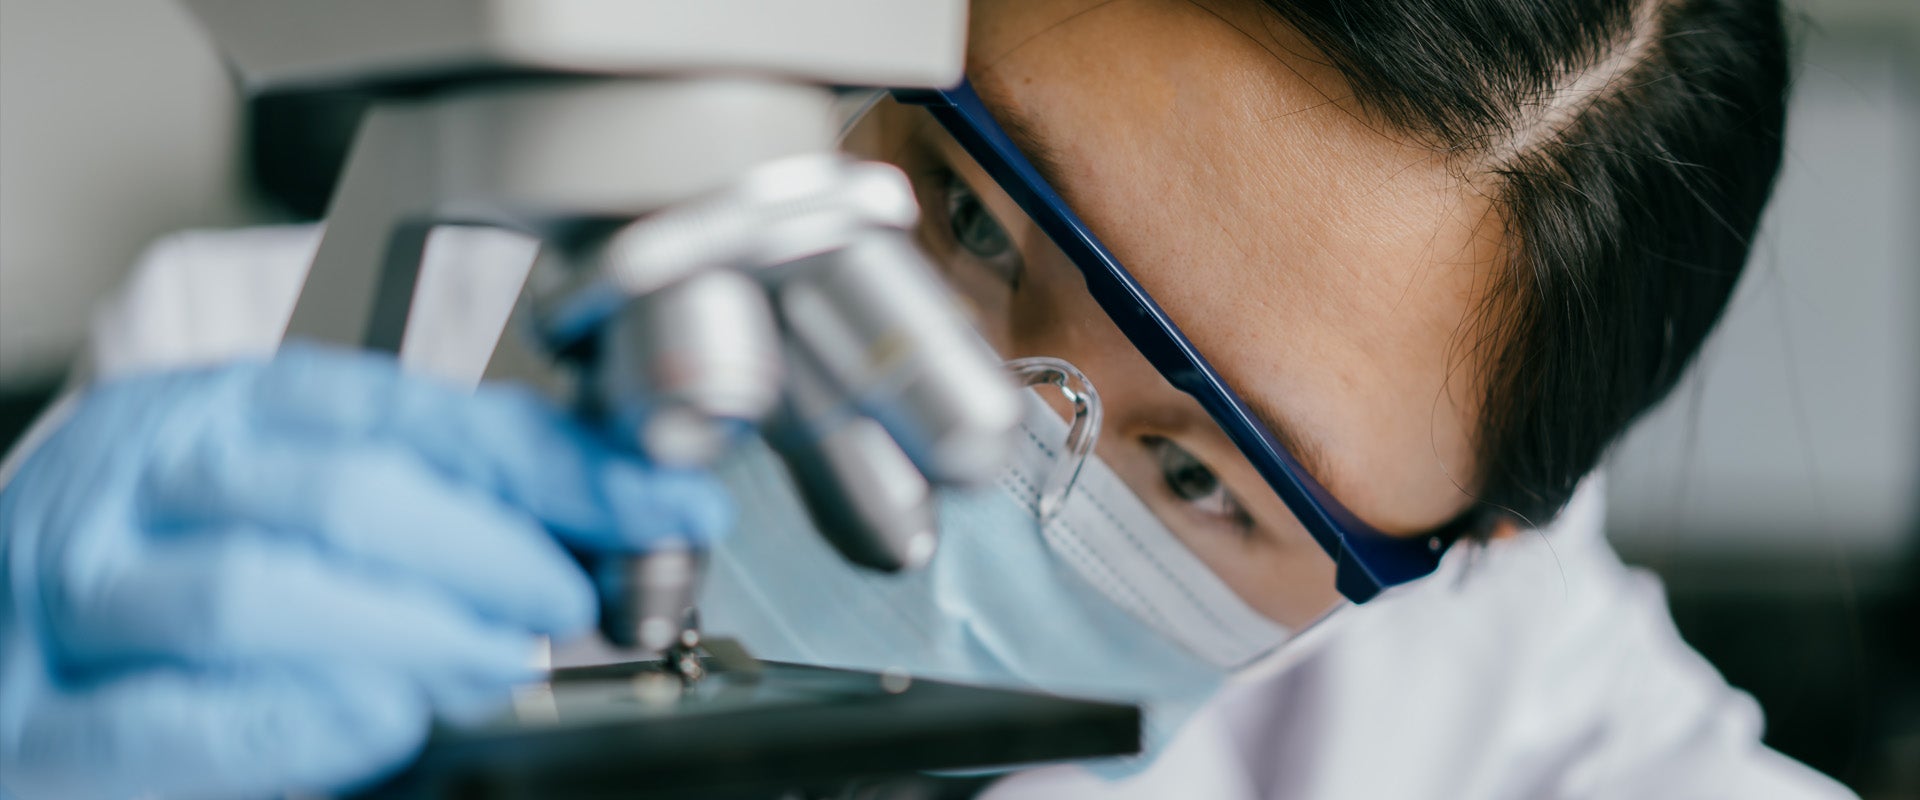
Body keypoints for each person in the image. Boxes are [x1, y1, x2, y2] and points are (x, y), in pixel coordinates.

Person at [0, 0, 1856, 798]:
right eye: (971, 212)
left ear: (1474, 542)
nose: (957, 442)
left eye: (1199, 474)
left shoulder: (1517, 733)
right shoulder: (274, 394)